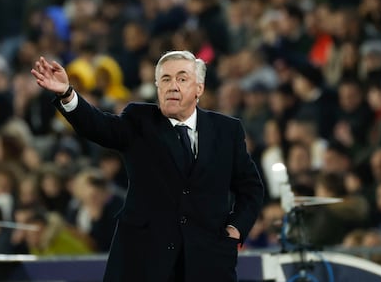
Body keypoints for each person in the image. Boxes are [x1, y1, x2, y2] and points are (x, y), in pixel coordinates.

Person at [31, 50, 264, 282]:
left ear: (199, 88)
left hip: (207, 263)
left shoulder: (226, 130)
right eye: (165, 79)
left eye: (182, 79)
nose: (173, 86)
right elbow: (99, 126)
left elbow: (251, 188)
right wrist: (67, 93)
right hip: (144, 262)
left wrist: (235, 229)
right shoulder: (139, 120)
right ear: (157, 87)